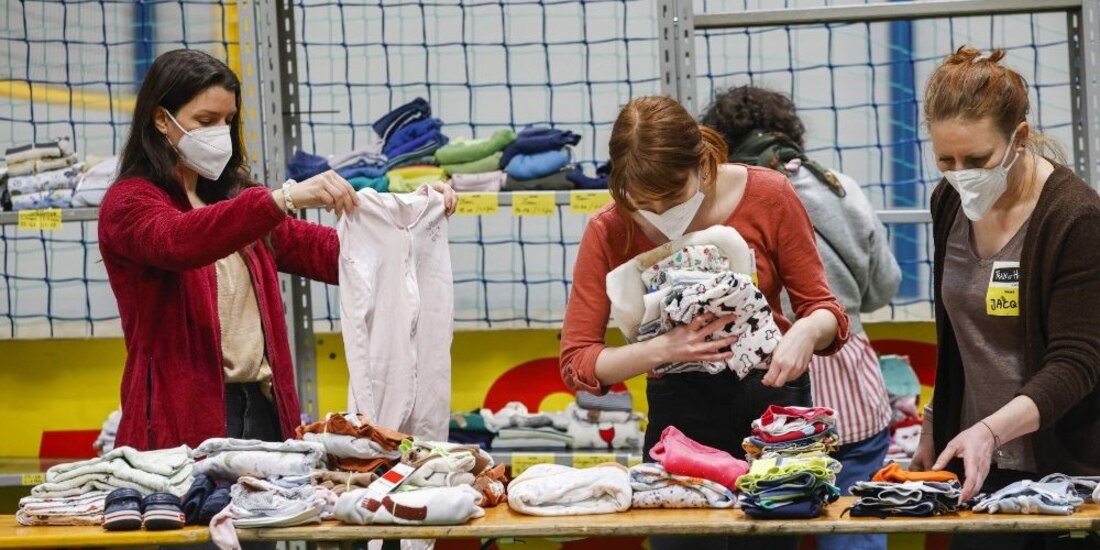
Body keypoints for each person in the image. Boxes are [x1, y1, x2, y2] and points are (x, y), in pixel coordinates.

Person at [98, 49, 456, 451]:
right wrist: (281, 198)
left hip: (265, 413)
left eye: (227, 120)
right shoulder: (128, 203)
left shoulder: (235, 199)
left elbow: (336, 253)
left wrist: (415, 217)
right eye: (205, 121)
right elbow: (180, 240)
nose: (220, 131)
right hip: (178, 424)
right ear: (161, 120)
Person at [560, 96, 849, 550]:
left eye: (672, 196)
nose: (659, 211)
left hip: (774, 415)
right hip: (680, 420)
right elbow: (578, 361)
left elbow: (826, 311)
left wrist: (805, 333)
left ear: (703, 164)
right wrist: (661, 349)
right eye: (641, 201)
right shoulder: (609, 229)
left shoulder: (769, 195)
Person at [910, 46, 1100, 550]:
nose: (959, 172)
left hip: (1062, 473)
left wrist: (991, 430)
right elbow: (957, 333)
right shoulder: (949, 200)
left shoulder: (1074, 218)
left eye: (976, 159)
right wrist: (936, 421)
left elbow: (1078, 361)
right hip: (976, 468)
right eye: (944, 159)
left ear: (1018, 139)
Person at [700, 85, 900, 550]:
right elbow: (883, 289)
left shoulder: (723, 205)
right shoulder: (841, 186)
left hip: (765, 392)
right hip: (852, 393)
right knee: (856, 536)